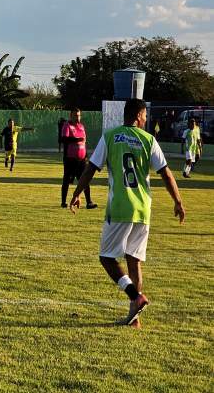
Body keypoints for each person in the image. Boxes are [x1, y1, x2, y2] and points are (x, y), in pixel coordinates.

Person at [69, 98, 185, 328]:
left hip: (121, 207)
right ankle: (135, 318)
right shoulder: (148, 139)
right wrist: (178, 201)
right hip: (143, 209)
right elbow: (166, 173)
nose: (145, 120)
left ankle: (135, 297)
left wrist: (77, 192)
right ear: (137, 116)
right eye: (144, 117)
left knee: (107, 258)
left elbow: (91, 167)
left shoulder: (110, 136)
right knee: (134, 261)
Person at [60, 109, 96, 209]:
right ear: (71, 116)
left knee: (85, 179)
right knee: (66, 180)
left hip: (82, 159)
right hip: (70, 159)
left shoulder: (81, 126)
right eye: (75, 115)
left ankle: (89, 202)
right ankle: (63, 202)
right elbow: (63, 139)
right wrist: (76, 140)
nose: (78, 117)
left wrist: (86, 155)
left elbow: (84, 142)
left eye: (79, 115)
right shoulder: (67, 125)